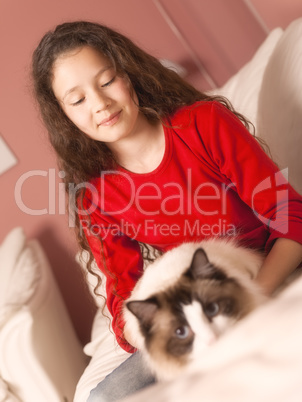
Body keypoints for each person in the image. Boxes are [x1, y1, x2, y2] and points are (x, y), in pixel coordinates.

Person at [32, 21, 302, 401]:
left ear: (128, 74)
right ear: (66, 117)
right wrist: (170, 332)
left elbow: (290, 216)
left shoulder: (204, 125)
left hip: (266, 273)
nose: (100, 103)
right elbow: (122, 297)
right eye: (77, 100)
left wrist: (251, 295)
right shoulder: (94, 195)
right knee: (104, 397)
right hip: (185, 320)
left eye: (107, 81)